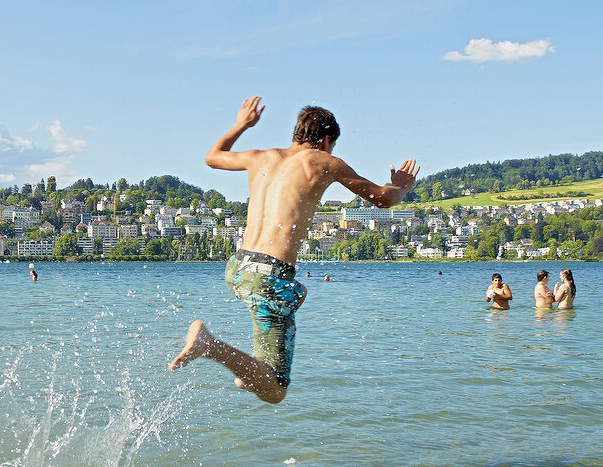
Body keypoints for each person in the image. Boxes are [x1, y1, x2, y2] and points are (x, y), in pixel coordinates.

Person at [167, 97, 418, 404]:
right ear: (326, 141)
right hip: (269, 276)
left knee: (294, 296)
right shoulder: (324, 161)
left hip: (238, 267)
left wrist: (242, 124)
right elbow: (383, 199)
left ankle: (253, 372)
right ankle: (210, 346)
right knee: (275, 391)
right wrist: (402, 187)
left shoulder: (263, 157)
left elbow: (212, 156)